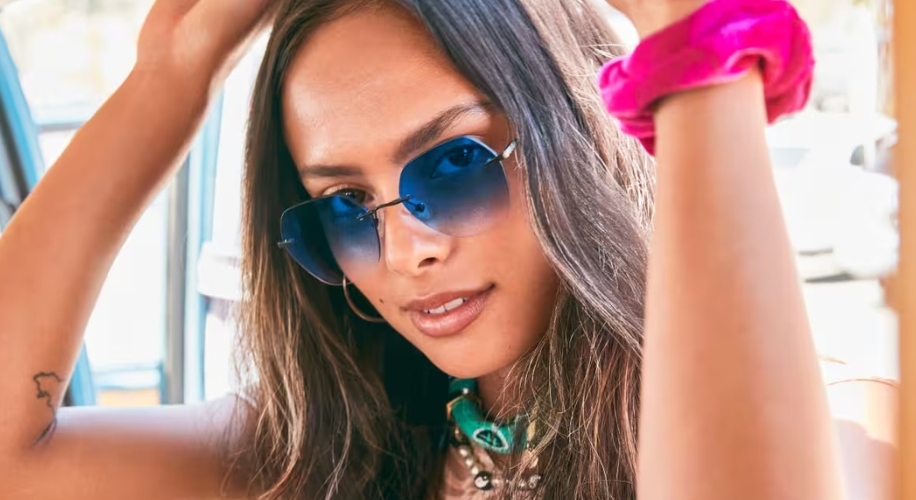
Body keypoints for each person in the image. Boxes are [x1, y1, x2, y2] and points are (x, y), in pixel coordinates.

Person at [0, 0, 896, 499]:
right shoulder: (321, 457)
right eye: (347, 207)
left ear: (579, 139)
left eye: (457, 165)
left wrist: (699, 45)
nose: (406, 246)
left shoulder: (847, 426)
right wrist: (171, 73)